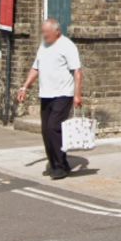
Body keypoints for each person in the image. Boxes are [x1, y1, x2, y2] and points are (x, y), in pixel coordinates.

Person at [16, 18, 82, 179]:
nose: (44, 35)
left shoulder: (67, 46)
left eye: (47, 33)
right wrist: (25, 86)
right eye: (43, 32)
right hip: (46, 94)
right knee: (46, 131)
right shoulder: (44, 45)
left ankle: (60, 167)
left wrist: (77, 95)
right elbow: (35, 68)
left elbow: (78, 72)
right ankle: (57, 164)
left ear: (57, 31)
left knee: (53, 127)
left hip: (63, 94)